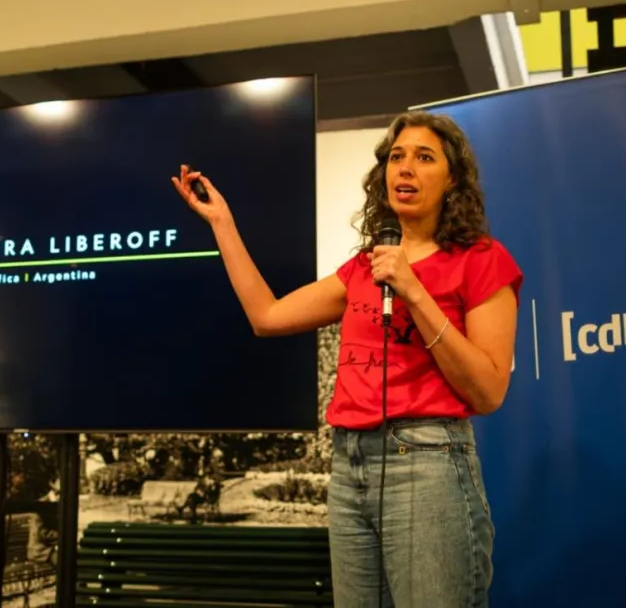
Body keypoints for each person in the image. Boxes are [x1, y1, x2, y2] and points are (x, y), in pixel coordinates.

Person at [171, 111, 523, 608]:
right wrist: (223, 224)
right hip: (349, 464)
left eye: (425, 158)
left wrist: (413, 290)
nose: (405, 168)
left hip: (426, 462)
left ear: (453, 180)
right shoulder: (365, 266)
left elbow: (488, 390)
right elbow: (266, 316)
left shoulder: (481, 259)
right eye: (397, 157)